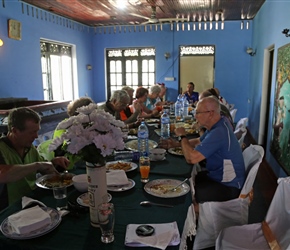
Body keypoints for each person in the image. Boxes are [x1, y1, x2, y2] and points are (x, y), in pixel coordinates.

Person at [159, 96, 245, 204]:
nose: (195, 116)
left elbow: (191, 158)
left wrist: (182, 137)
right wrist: (175, 144)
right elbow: (199, 141)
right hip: (216, 176)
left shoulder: (219, 132)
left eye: (198, 113)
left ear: (210, 113)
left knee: (185, 195)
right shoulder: (218, 124)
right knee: (183, 181)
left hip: (227, 186)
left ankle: (194, 214)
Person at [0, 107, 69, 210]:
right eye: (31, 132)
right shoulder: (1, 148)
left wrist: (54, 162)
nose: (36, 136)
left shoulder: (29, 147)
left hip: (32, 201)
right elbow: (3, 175)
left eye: (37, 131)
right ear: (15, 131)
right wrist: (37, 165)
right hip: (10, 209)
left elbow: (43, 167)